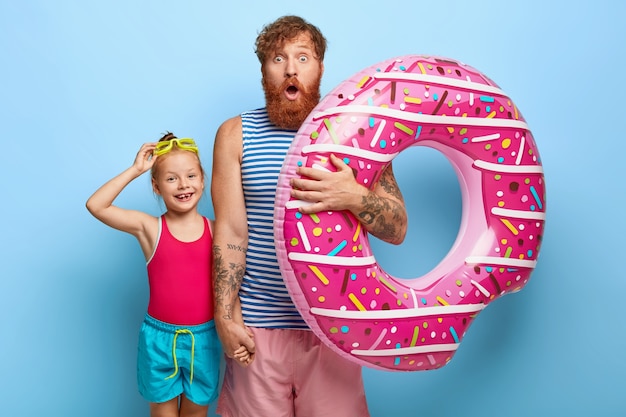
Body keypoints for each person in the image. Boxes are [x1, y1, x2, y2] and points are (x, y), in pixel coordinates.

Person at [211, 15, 408, 417]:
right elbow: (230, 232)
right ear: (264, 70)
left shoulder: (358, 133)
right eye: (277, 58)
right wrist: (223, 316)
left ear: (320, 68)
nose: (290, 68)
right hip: (257, 332)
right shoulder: (236, 134)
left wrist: (354, 196)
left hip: (335, 329)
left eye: (303, 57)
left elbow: (397, 227)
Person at [86, 133, 248, 417]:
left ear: (202, 180)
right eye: (171, 178)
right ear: (156, 186)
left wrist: (238, 330)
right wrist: (136, 170)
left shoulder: (216, 231)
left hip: (206, 339)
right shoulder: (150, 229)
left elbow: (228, 287)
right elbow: (96, 205)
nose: (183, 184)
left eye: (190, 176)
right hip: (159, 340)